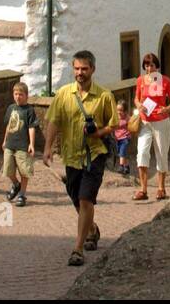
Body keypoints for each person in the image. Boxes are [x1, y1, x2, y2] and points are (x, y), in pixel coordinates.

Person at [42, 50, 117, 267]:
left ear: (92, 69)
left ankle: (78, 248)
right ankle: (92, 229)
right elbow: (54, 121)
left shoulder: (104, 96)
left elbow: (113, 124)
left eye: (84, 69)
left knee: (86, 198)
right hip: (71, 156)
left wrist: (97, 134)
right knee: (76, 198)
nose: (80, 73)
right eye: (76, 68)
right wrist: (47, 148)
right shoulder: (64, 94)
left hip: (95, 155)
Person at [133, 52, 170, 201]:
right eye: (146, 65)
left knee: (161, 153)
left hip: (160, 121)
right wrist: (139, 106)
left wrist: (167, 109)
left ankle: (161, 188)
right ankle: (143, 190)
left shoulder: (165, 81)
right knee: (142, 153)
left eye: (151, 65)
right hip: (145, 121)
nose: (149, 68)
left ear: (157, 66)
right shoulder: (141, 81)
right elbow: (137, 99)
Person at [1, 81, 38, 207]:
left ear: (26, 96)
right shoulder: (11, 108)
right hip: (10, 144)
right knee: (8, 169)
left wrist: (31, 144)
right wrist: (5, 140)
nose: (18, 97)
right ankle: (16, 184)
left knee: (24, 171)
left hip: (22, 145)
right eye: (16, 94)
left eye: (21, 94)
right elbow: (8, 125)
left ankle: (22, 194)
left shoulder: (29, 110)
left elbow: (32, 127)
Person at [113, 100, 133, 177]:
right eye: (117, 110)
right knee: (121, 154)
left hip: (125, 138)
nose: (119, 112)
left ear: (125, 111)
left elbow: (133, 121)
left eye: (121, 110)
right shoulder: (115, 117)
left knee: (122, 152)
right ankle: (127, 167)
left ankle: (121, 166)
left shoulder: (127, 118)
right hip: (117, 138)